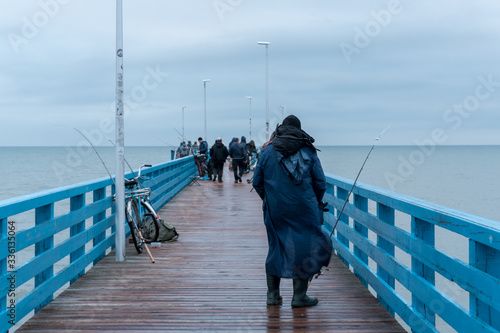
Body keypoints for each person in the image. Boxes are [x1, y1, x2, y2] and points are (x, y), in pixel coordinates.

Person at [252, 115, 332, 308]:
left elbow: (257, 182)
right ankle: (299, 297)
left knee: (276, 246)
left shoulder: (267, 151)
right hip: (304, 208)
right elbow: (320, 183)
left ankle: (272, 296)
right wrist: (315, 202)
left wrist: (270, 199)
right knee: (305, 247)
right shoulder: (309, 151)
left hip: (276, 209)